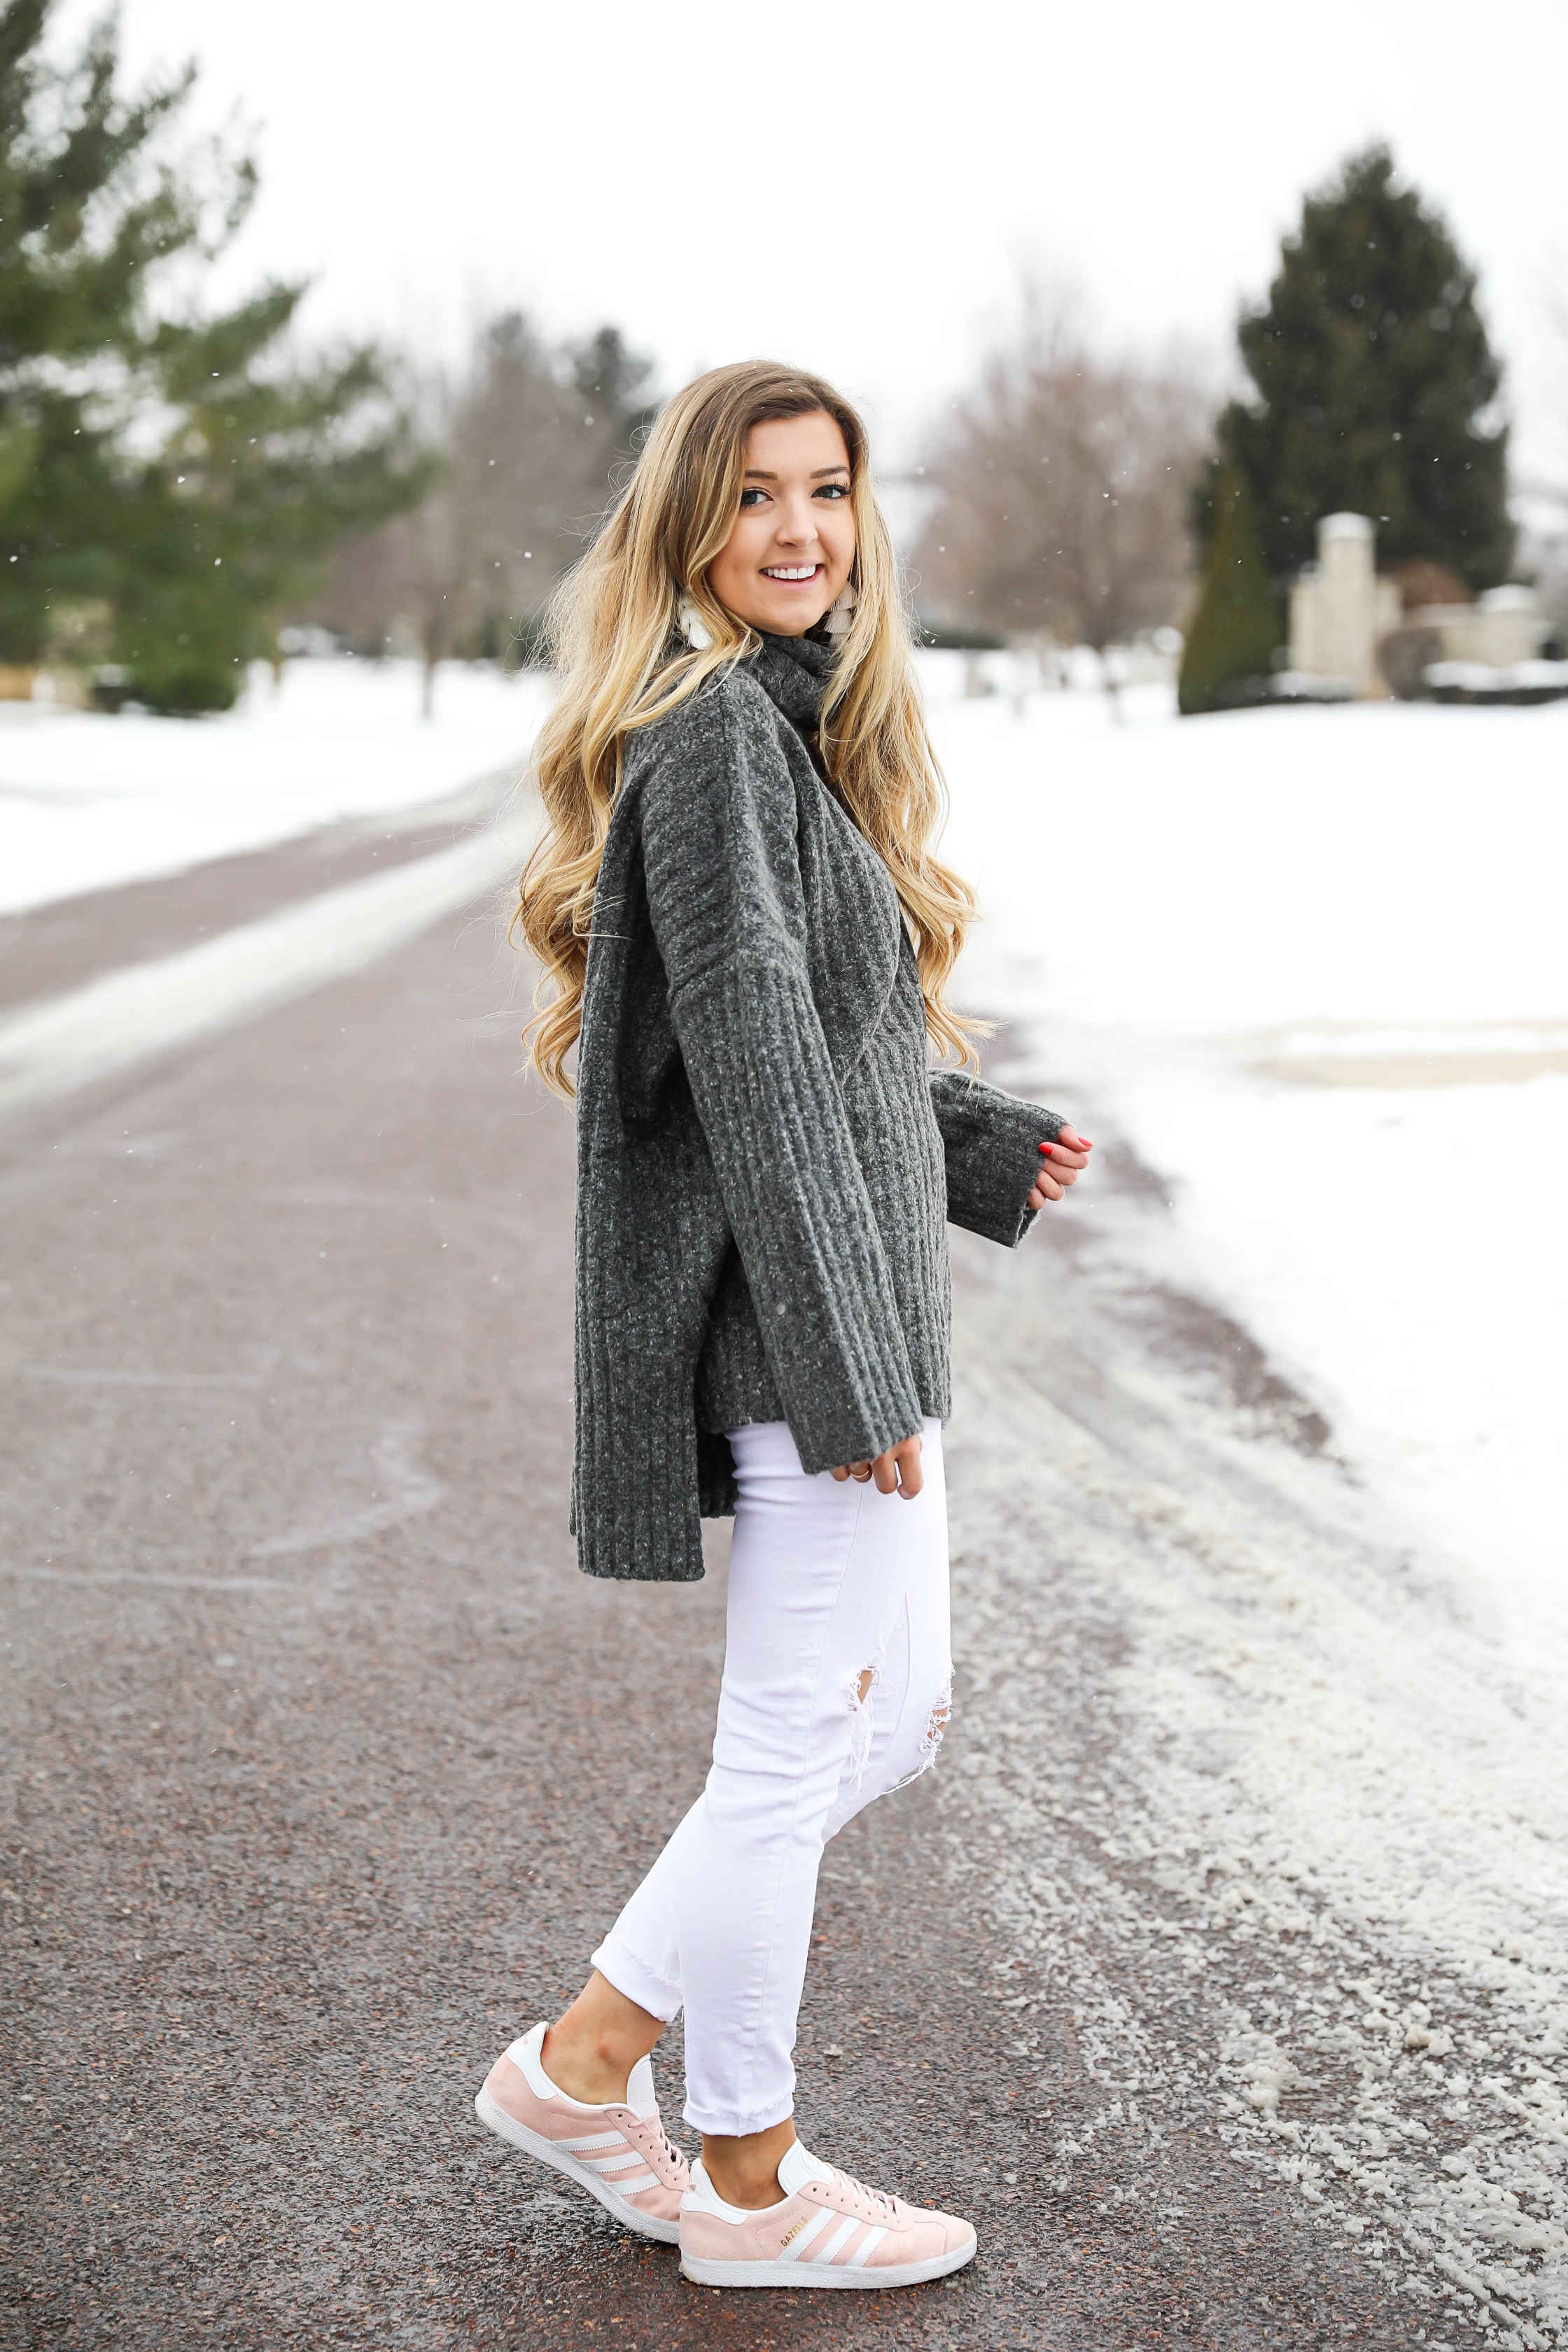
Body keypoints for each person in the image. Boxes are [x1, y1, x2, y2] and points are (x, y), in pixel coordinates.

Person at [477, 360, 1091, 2291]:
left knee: (879, 1723)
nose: (802, 530)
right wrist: (845, 1375)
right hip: (801, 1340)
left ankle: (587, 2068)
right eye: (756, 498)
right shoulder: (720, 739)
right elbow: (746, 1067)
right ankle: (744, 2182)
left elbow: (819, 1046)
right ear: (691, 528)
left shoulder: (780, 727)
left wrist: (971, 1139)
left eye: (827, 491)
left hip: (851, 1318)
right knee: (786, 1755)